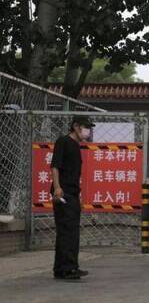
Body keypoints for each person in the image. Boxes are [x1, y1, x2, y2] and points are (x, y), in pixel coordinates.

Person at [51, 116, 94, 280]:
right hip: (63, 194)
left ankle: (63, 268)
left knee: (70, 231)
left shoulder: (76, 146)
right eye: (85, 126)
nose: (87, 130)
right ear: (76, 126)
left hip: (72, 193)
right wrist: (57, 187)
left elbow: (74, 175)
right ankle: (67, 268)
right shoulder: (63, 142)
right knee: (67, 231)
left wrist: (79, 197)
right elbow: (55, 166)